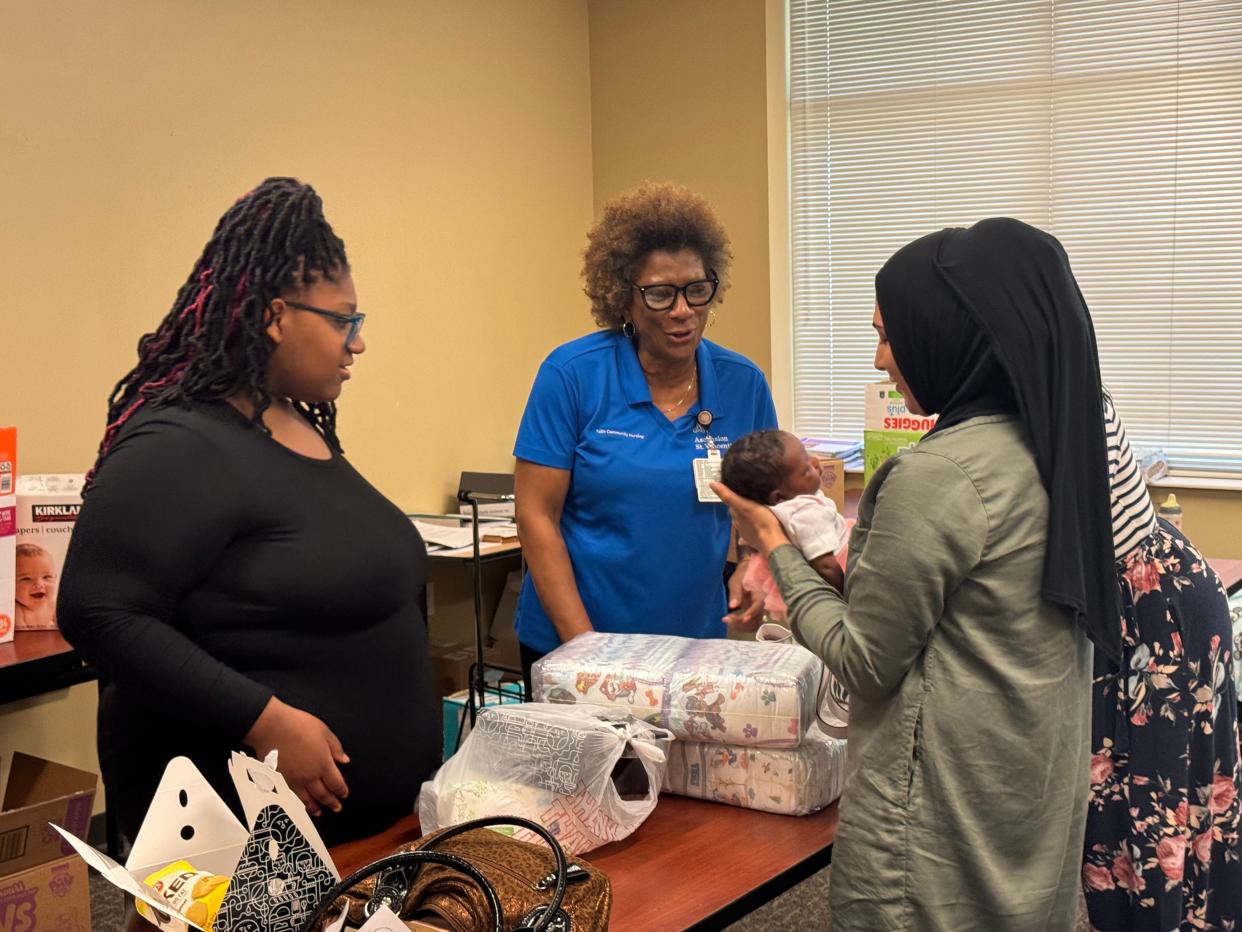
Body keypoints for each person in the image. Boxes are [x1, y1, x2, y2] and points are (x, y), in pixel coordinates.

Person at [715, 218, 1110, 929]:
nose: (878, 360)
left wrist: (773, 542)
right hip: (1023, 801)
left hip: (933, 833)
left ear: (952, 333)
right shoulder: (1056, 447)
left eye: (889, 334)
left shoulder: (937, 476)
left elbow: (864, 664)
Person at [59, 178, 439, 850]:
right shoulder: (179, 441)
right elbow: (97, 611)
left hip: (368, 840)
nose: (356, 344)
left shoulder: (293, 423)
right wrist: (265, 720)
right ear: (275, 316)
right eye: (343, 320)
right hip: (244, 855)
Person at [512, 181, 777, 685]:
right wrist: (584, 650)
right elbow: (535, 515)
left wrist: (753, 560)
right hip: (575, 641)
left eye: (696, 289)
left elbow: (762, 500)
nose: (682, 310)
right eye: (659, 294)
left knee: (679, 769)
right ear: (623, 298)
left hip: (691, 648)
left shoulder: (743, 384)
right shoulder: (573, 374)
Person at [1081, 389, 1242, 929]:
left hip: (1158, 612)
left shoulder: (1046, 383)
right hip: (1136, 604)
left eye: (889, 335)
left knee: (1161, 829)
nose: (880, 358)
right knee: (1126, 825)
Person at [719, 429, 846, 617]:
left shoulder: (769, 512)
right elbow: (825, 566)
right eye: (806, 470)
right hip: (837, 570)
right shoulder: (805, 512)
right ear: (779, 496)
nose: (815, 463)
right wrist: (846, 596)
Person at [14, 543, 57, 629]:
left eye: (46, 577)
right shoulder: (17, 611)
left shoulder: (52, 604)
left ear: (55, 578)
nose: (39, 585)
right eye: (26, 579)